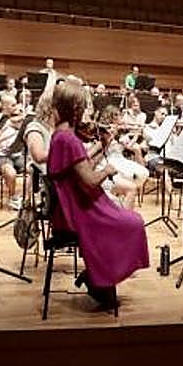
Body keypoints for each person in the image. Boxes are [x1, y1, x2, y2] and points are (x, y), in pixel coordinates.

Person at [47, 79, 149, 308]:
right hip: (79, 210)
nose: (86, 111)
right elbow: (90, 180)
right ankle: (98, 276)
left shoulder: (59, 135)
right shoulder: (69, 140)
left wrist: (101, 147)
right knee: (132, 223)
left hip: (73, 204)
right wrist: (108, 169)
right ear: (75, 109)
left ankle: (98, 276)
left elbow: (80, 169)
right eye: (84, 106)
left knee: (128, 220)